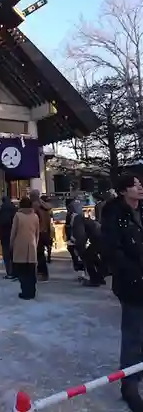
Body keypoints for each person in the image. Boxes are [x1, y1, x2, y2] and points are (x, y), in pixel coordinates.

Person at [102, 175, 143, 412]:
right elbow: (112, 251)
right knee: (133, 337)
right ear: (123, 190)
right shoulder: (114, 214)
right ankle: (129, 387)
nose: (140, 187)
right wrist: (134, 275)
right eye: (135, 184)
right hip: (132, 285)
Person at [10, 197, 40, 300]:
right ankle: (32, 291)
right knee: (31, 271)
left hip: (20, 247)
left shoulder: (18, 216)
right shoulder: (35, 216)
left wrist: (11, 244)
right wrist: (35, 245)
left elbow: (13, 232)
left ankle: (25, 292)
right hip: (31, 247)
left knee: (22, 271)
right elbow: (37, 234)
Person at [30, 190, 51, 281]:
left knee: (38, 254)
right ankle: (42, 272)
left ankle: (41, 272)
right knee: (41, 253)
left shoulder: (34, 206)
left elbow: (32, 220)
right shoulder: (44, 205)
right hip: (45, 231)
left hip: (38, 232)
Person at [0, 196, 17, 279]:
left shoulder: (2, 210)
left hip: (5, 236)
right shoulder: (14, 209)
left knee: (7, 255)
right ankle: (16, 272)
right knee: (14, 254)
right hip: (14, 236)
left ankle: (10, 273)